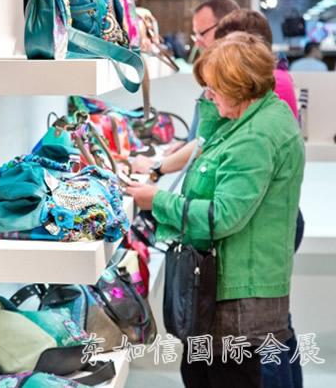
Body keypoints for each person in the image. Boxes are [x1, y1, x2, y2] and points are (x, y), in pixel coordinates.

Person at [127, 32, 305, 388]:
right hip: (228, 288)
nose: (207, 95)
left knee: (225, 376)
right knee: (202, 373)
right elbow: (206, 143)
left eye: (214, 88)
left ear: (239, 87)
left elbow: (223, 216)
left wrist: (157, 201)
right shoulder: (248, 119)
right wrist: (214, 107)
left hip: (238, 298)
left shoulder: (255, 136)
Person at [214, 9, 304, 388]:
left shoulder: (263, 113)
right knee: (274, 334)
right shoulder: (269, 104)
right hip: (268, 221)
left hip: (262, 227)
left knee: (264, 341)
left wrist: (166, 205)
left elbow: (226, 211)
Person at [133, 0, 239, 176]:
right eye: (195, 34)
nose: (197, 41)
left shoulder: (231, 81)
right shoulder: (220, 73)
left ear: (225, 28)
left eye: (202, 33)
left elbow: (207, 141)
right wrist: (187, 143)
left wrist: (156, 167)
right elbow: (208, 136)